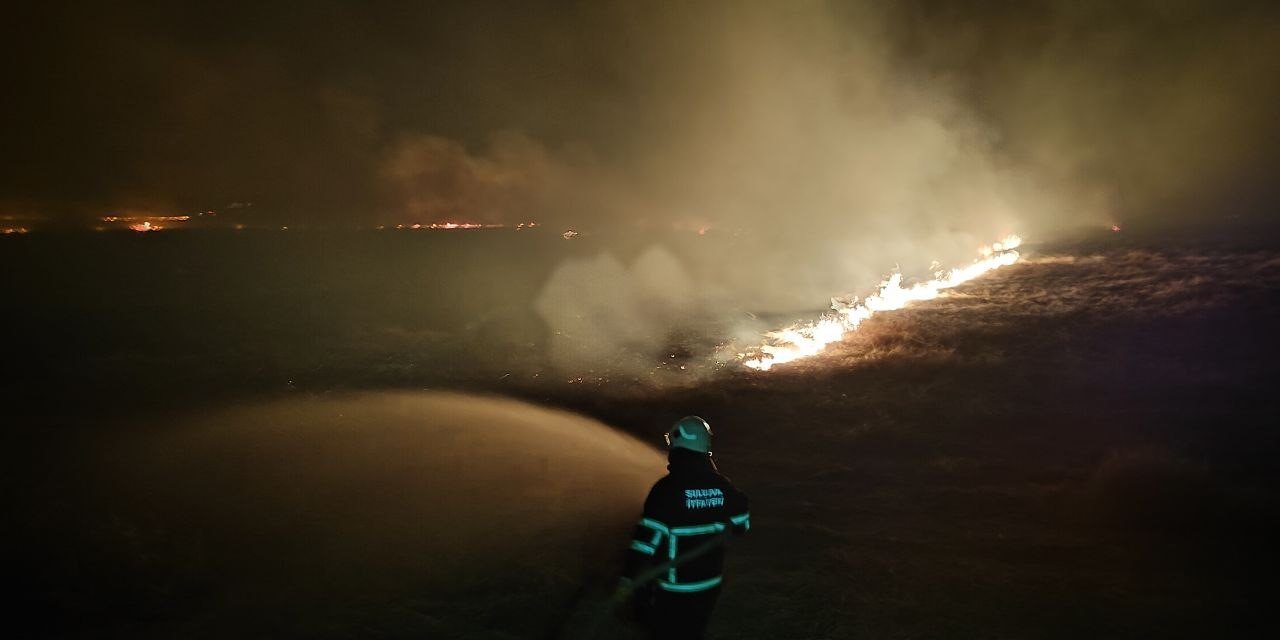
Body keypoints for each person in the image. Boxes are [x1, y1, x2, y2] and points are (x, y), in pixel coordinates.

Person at [617, 416, 750, 639]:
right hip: (710, 584)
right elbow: (741, 525)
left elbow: (645, 543)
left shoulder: (666, 490)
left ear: (679, 445)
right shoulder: (723, 486)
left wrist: (627, 580)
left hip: (674, 588)